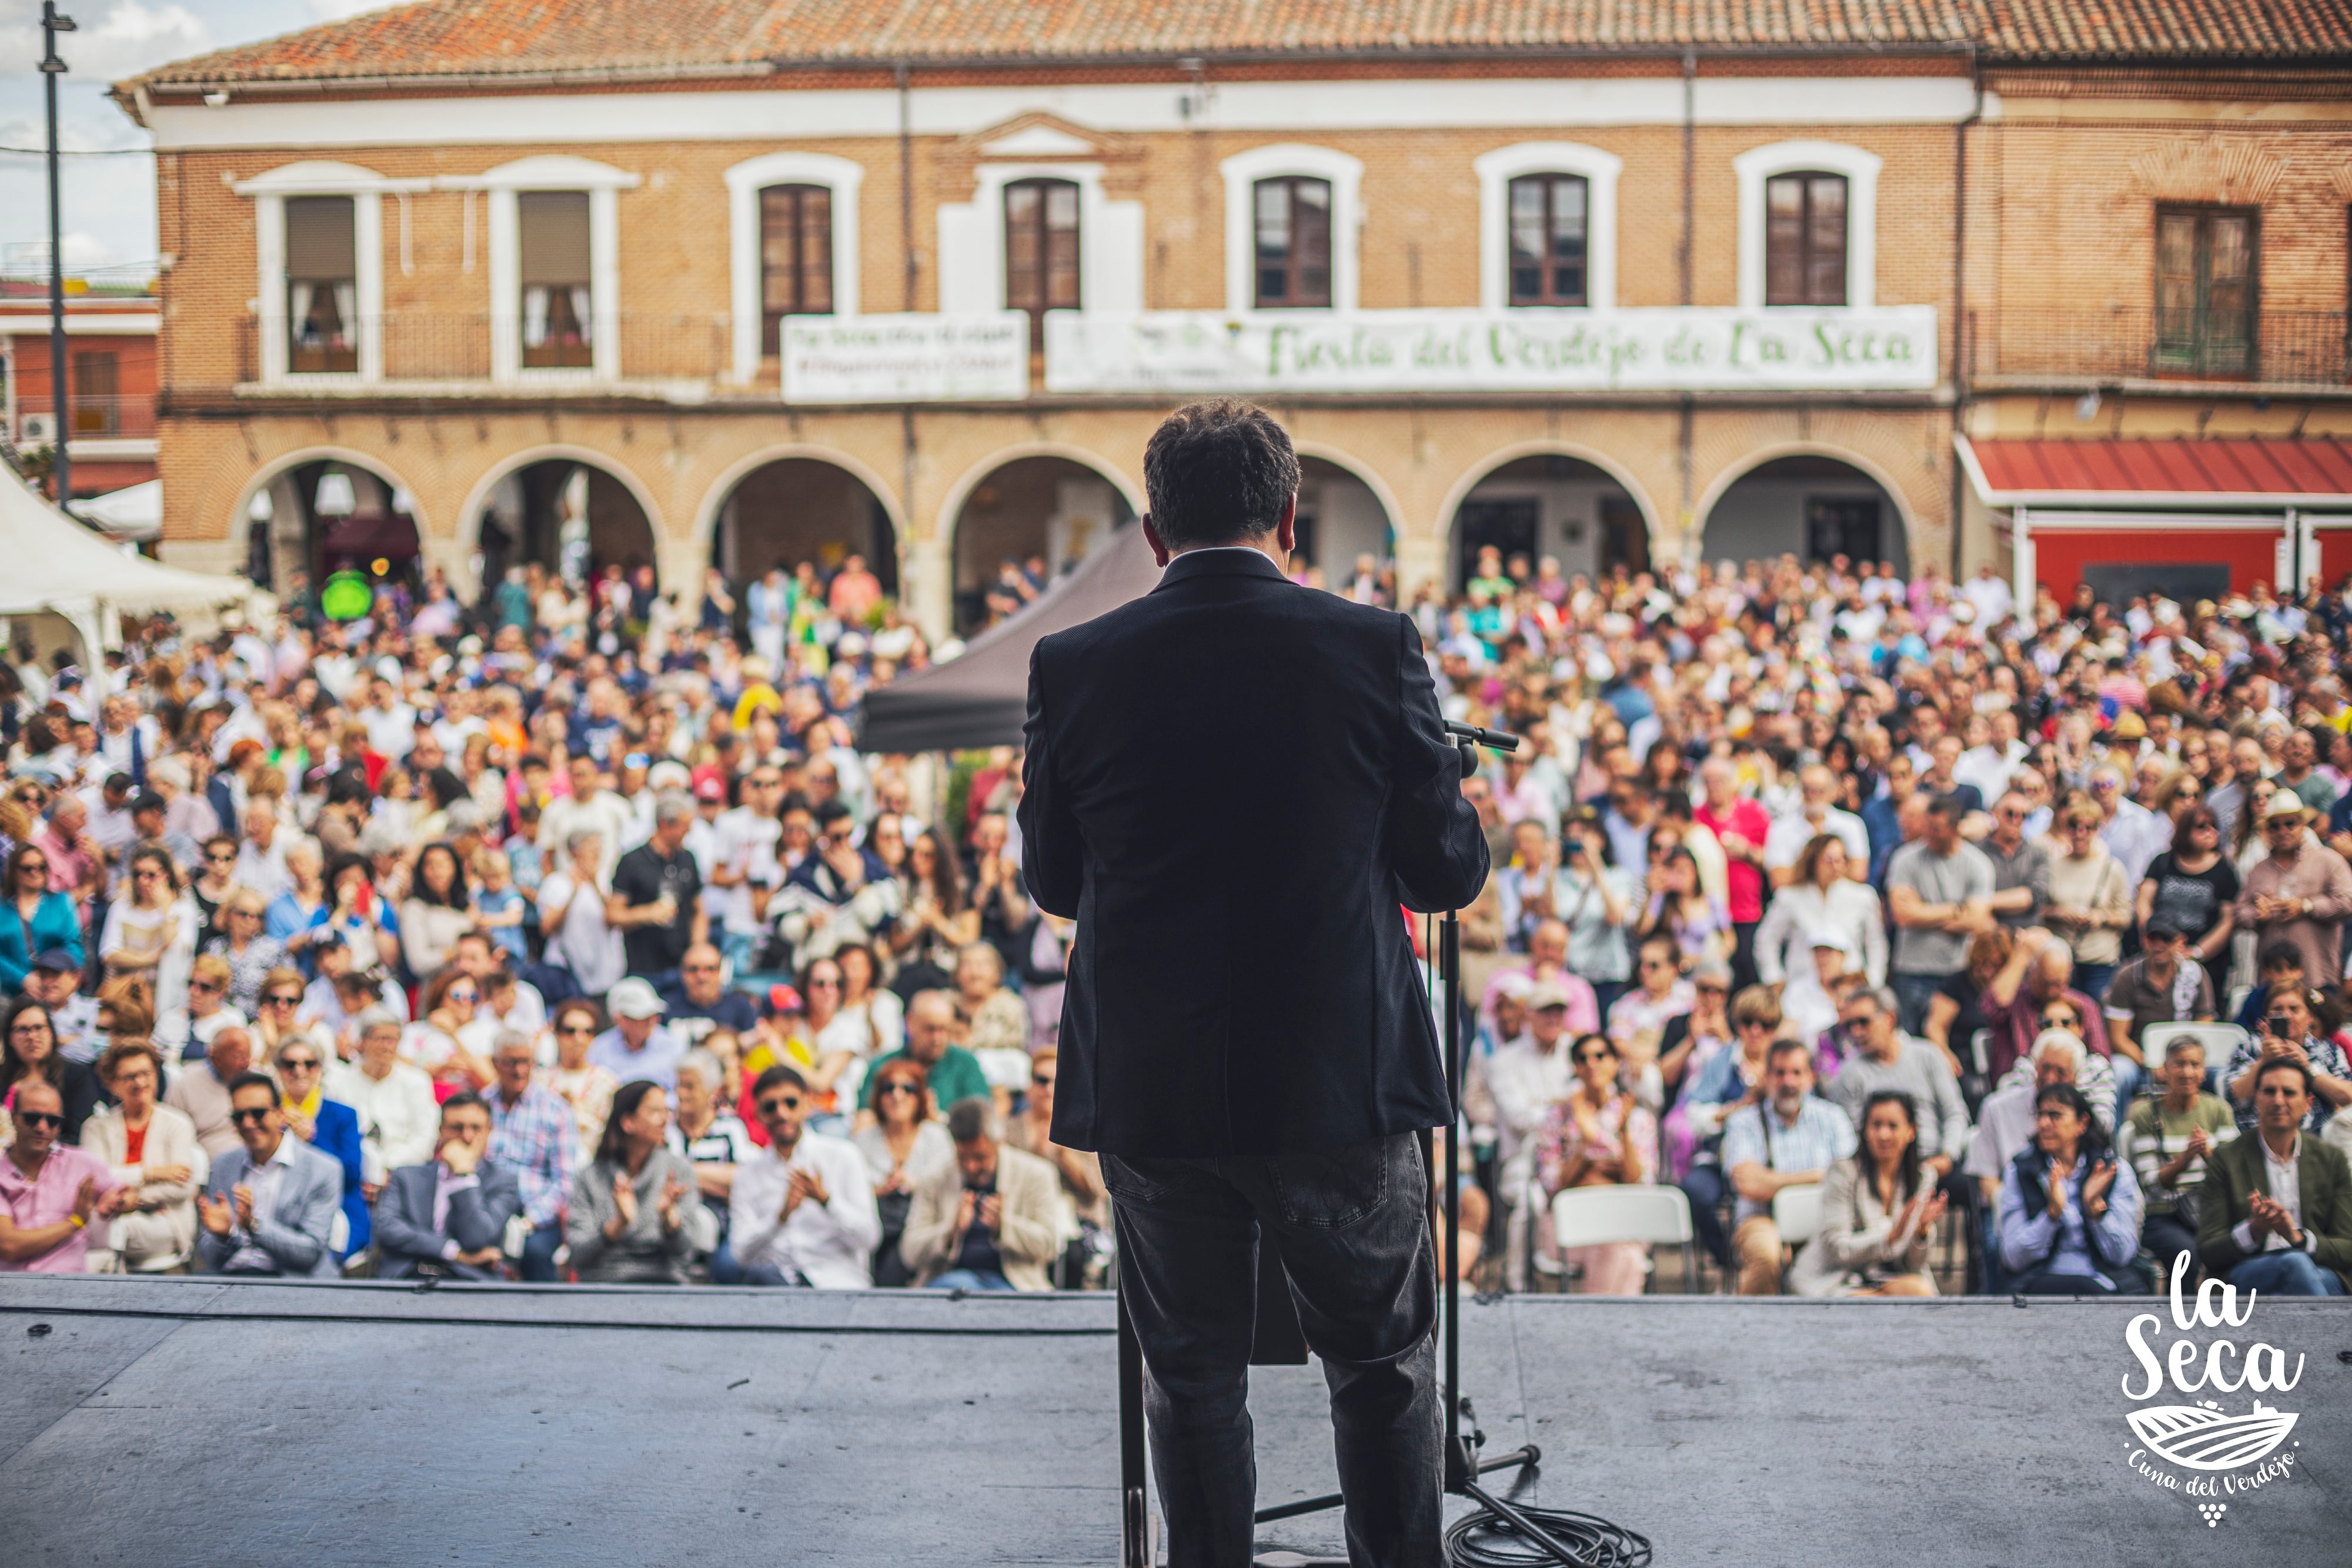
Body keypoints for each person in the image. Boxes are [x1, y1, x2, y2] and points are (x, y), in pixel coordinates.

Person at [1018, 405, 1488, 1562]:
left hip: (1157, 1084)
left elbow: (1055, 883)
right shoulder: (1373, 647)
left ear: (1150, 527)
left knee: (1189, 1378)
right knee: (1380, 1370)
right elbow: (1444, 872)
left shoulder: (1071, 662)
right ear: (1289, 515)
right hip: (1338, 1076)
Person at [2196, 1056, 2352, 1296]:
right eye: (2269, 1092)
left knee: (2297, 1268)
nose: (2278, 1101)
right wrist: (2253, 1230)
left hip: (2319, 1271)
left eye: (2289, 1093)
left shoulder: (2331, 1160)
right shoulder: (2226, 1158)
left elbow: (2348, 1246)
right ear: (2256, 1099)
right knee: (2293, 1264)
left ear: (2308, 1103)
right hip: (2247, 1272)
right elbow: (2208, 1250)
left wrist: (2297, 1238)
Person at [1720, 1038, 1858, 1296]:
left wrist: (1770, 1181)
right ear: (1767, 1076)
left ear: (1811, 1076)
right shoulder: (1743, 1122)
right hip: (1761, 1219)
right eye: (1780, 1073)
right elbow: (1749, 1185)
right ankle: (1753, 1331)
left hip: (1822, 1223)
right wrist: (1820, 1175)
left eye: (1797, 1073)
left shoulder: (1833, 1117)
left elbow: (1851, 1181)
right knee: (1766, 1255)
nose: (1788, 1083)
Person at [729, 1064, 880, 1287]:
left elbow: (869, 1238)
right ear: (759, 1114)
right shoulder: (748, 1174)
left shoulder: (843, 1156)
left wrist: (826, 1201)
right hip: (777, 1286)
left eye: (791, 1103)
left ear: (808, 1103)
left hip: (835, 1282)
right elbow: (740, 1255)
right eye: (771, 1107)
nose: (782, 1113)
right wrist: (779, 1218)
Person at [1996, 1082, 2147, 1295]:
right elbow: (2013, 1257)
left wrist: (2096, 1211)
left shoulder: (2113, 1170)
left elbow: (2122, 1255)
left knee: (2089, 1290)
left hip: (2101, 1281)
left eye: (2055, 1115)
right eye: (2040, 1115)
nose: (2044, 1124)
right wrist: (2051, 1215)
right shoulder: (2020, 1171)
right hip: (2038, 1283)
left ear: (2082, 1123)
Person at [1790, 1090, 1946, 1297]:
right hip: (1835, 1278)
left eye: (1893, 1126)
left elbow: (1912, 1264)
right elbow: (1836, 1248)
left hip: (1884, 1277)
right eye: (1876, 1125)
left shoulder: (1924, 1177)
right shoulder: (1843, 1172)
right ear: (1865, 1130)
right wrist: (1891, 1236)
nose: (1883, 1135)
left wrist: (1921, 1231)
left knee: (1919, 1291)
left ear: (1911, 1131)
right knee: (1873, 1306)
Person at [1533, 1033, 1656, 1294]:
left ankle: (1598, 1327)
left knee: (1620, 1248)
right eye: (1582, 1058)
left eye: (1600, 1056)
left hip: (1623, 1218)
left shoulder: (1637, 1117)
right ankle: (1615, 1330)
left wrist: (1622, 1134)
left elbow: (1640, 1181)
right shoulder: (1558, 1116)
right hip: (1570, 1224)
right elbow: (1554, 1184)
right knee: (1623, 1252)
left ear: (1615, 1063)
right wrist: (1587, 1146)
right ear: (1574, 1067)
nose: (1592, 1064)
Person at [899, 1095, 1061, 1292]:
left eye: (980, 1157)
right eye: (962, 1157)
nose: (971, 1166)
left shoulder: (1036, 1174)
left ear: (998, 1142)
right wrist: (950, 1232)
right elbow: (909, 1253)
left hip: (1015, 1284)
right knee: (958, 1289)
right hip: (949, 1280)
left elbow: (1050, 1246)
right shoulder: (935, 1180)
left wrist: (1005, 1226)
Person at [194, 1071, 343, 1278]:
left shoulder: (323, 1169)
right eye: (239, 1117)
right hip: (233, 1278)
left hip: (292, 1282)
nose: (248, 1123)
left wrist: (254, 1226)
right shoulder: (223, 1165)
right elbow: (209, 1257)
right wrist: (224, 1235)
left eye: (257, 1114)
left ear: (280, 1115)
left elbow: (310, 1253)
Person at [1819, 986, 1971, 1188]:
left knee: (1970, 1182)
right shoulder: (1848, 1076)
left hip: (1936, 1161)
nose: (1856, 1032)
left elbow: (1955, 1112)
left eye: (1864, 1022)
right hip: (1883, 1173)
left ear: (1890, 1018)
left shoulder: (1928, 1056)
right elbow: (1853, 1137)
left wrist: (1947, 1156)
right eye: (1849, 1025)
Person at [2120, 1036, 2237, 1285]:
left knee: (2233, 1247)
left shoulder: (2219, 1110)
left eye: (2195, 1064)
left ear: (2204, 1071)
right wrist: (2185, 1159)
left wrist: (2207, 1155)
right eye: (2180, 1064)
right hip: (2163, 1214)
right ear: (2165, 1070)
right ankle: (2183, 1317)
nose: (2187, 1072)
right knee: (2186, 1254)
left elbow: (2232, 1176)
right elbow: (2151, 1184)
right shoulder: (2146, 1115)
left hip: (2209, 1211)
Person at [373, 1091, 524, 1281]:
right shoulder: (406, 1176)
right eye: (457, 1128)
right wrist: (455, 1253)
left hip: (470, 1283)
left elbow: (478, 1238)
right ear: (441, 1131)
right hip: (408, 1275)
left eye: (476, 1128)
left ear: (489, 1131)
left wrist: (464, 1175)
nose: (467, 1137)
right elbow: (388, 1229)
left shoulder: (503, 1182)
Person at [565, 1078, 702, 1283]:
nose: (664, 1120)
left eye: (666, 1111)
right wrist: (618, 1225)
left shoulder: (677, 1171)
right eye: (655, 1112)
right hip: (606, 1282)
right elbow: (579, 1255)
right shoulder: (592, 1177)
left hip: (665, 1283)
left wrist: (669, 1218)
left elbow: (687, 1251)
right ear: (628, 1122)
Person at [79, 1039, 199, 1270]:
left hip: (165, 1220)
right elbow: (94, 1181)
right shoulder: (96, 1127)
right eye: (130, 1076)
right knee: (101, 1232)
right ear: (113, 1083)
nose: (140, 1082)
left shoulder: (178, 1124)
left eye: (146, 1073)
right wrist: (151, 1173)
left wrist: (134, 1200)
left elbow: (181, 1187)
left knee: (117, 1232)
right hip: (108, 1217)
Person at [1884, 794, 1996, 1033]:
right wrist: (1954, 910)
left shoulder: (1977, 864)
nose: (1929, 834)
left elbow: (1976, 921)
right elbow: (1903, 916)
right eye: (1927, 826)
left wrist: (1921, 912)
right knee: (1910, 1041)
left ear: (1955, 828)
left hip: (1957, 970)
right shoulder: (1905, 858)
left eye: (1936, 829)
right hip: (1912, 971)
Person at [0, 1078, 131, 1272]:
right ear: (13, 1117)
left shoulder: (80, 1162)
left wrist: (119, 1201)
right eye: (32, 1118)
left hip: (68, 1289)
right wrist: (75, 1222)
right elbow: (8, 1246)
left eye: (53, 1121)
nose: (42, 1127)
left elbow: (126, 1193)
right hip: (12, 1292)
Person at [2233, 793, 2352, 991]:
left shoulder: (2328, 860)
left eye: (2290, 823)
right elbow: (2239, 912)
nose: (2283, 831)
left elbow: (2348, 901)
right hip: (2271, 985)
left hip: (2317, 977)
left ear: (2303, 825)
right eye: (2275, 826)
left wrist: (2306, 907)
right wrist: (2258, 917)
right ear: (2267, 831)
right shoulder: (2259, 870)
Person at [854, 1055, 952, 1287]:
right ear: (879, 1096)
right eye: (889, 1088)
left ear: (921, 1097)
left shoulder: (937, 1137)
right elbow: (852, 1190)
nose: (898, 1096)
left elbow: (947, 1186)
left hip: (921, 1223)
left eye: (908, 1089)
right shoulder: (863, 1141)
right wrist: (880, 1189)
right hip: (878, 1224)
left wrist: (912, 1184)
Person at [270, 1034, 368, 1261]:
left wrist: (314, 1139)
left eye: (309, 1064)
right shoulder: (267, 1114)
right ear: (278, 1069)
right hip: (279, 1204)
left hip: (336, 1206)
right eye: (290, 1064)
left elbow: (352, 1174)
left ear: (320, 1070)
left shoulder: (343, 1114)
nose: (299, 1071)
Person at [2099, 919, 2215, 1102]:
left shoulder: (2194, 974)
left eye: (2167, 940)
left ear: (2180, 942)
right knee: (2118, 1071)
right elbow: (2118, 1038)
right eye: (2153, 938)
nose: (2159, 946)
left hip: (2186, 1059)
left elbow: (2205, 1026)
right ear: (2145, 941)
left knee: (2220, 1074)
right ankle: (2116, 1130)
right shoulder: (2127, 976)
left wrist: (2181, 1064)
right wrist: (2151, 1064)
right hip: (2140, 1061)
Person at [324, 1008, 440, 1183]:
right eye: (380, 1038)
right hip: (350, 1174)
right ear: (362, 1042)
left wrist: (385, 1168)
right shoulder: (338, 1081)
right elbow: (332, 1133)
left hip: (402, 1174)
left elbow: (424, 1138)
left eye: (393, 1039)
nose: (387, 1046)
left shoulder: (417, 1081)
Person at [2136, 805, 2237, 1001]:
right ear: (2185, 830)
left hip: (2206, 963)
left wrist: (2196, 953)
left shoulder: (2225, 870)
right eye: (2202, 827)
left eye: (2214, 826)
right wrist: (2153, 940)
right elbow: (2143, 902)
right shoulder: (2163, 862)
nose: (2211, 832)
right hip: (2159, 954)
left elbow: (2228, 921)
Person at [2223, 982, 2352, 1135]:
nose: (2287, 1016)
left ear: (2310, 1017)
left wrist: (2309, 1069)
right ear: (2267, 1017)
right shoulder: (2250, 1047)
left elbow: (2348, 1097)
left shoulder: (2327, 1050)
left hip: (2316, 1142)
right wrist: (2264, 1061)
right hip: (2255, 1139)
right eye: (2278, 1010)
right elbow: (2235, 1096)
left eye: (2294, 1009)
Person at [609, 791, 706, 984]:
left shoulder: (687, 858)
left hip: (681, 964)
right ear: (664, 825)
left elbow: (699, 910)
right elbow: (613, 915)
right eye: (684, 826)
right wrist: (646, 914)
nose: (688, 832)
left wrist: (697, 948)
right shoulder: (632, 861)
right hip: (644, 966)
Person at [2043, 802, 2132, 1001]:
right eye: (2074, 826)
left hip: (2100, 961)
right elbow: (2040, 910)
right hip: (2063, 959)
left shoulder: (2112, 867)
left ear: (2097, 830)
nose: (2080, 833)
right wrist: (2059, 913)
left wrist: (2101, 917)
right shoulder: (2054, 865)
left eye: (2088, 827)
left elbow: (2126, 916)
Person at [860, 989, 990, 1119]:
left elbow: (981, 1120)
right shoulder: (884, 1065)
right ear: (910, 1023)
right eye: (930, 1029)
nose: (938, 1039)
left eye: (944, 1030)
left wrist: (939, 1121)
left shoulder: (966, 1064)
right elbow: (864, 1117)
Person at [2, 995, 102, 1144]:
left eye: (39, 1028)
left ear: (51, 1033)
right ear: (10, 1038)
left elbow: (80, 1134)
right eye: (23, 1030)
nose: (32, 1036)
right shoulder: (2, 1077)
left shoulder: (76, 1076)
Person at [537, 828, 623, 997]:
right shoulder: (556, 883)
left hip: (605, 971)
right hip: (567, 972)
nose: (597, 852)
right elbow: (547, 927)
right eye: (592, 848)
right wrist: (573, 892)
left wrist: (596, 886)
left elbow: (614, 918)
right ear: (575, 851)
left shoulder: (607, 880)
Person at [0, 841, 81, 994]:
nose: (36, 872)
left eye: (41, 867)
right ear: (14, 872)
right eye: (28, 868)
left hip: (54, 989)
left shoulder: (61, 902)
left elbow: (73, 944)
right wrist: (22, 978)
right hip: (9, 992)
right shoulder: (2, 908)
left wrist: (54, 976)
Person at [546, 999, 621, 1150]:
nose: (579, 1039)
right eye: (570, 1031)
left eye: (588, 1032)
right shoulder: (540, 1080)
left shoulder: (607, 1082)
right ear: (557, 1033)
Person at [589, 976, 688, 1089]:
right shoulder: (599, 1049)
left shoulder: (674, 1046)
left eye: (654, 1015)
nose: (652, 1021)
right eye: (643, 1017)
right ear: (621, 1020)